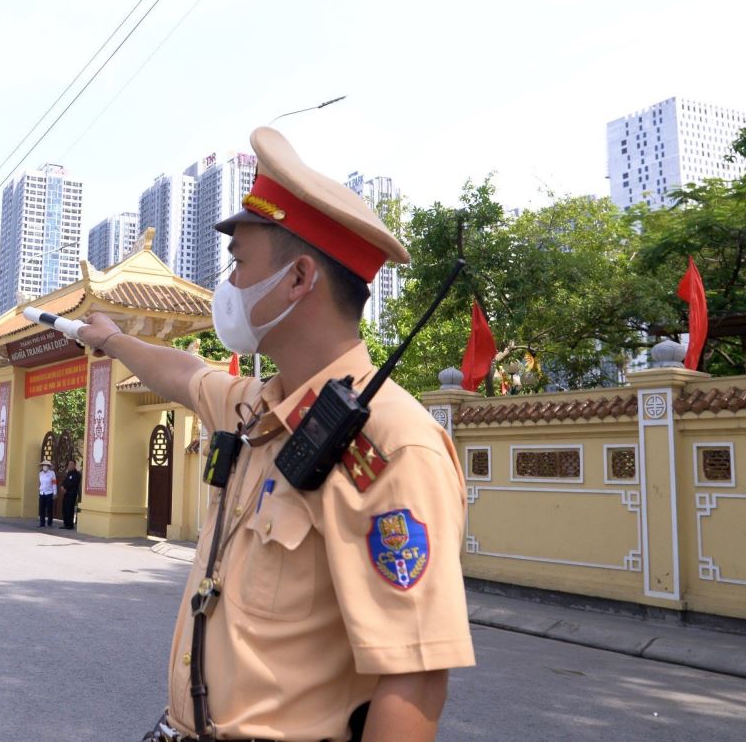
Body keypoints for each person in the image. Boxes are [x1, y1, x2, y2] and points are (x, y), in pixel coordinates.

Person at [75, 127, 471, 742]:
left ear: (298, 279)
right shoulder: (260, 407)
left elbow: (414, 680)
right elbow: (187, 375)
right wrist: (110, 338)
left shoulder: (390, 444)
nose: (227, 287)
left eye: (239, 265)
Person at [61, 460, 82, 530]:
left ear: (74, 465)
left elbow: (74, 483)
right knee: (65, 508)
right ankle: (65, 523)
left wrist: (66, 488)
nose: (69, 465)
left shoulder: (77, 474)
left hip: (72, 494)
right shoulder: (68, 473)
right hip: (66, 494)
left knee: (70, 509)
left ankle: (70, 525)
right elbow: (64, 481)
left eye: (71, 464)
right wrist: (62, 486)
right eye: (69, 464)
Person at [36, 460, 57, 527]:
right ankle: (42, 523)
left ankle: (50, 523)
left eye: (46, 465)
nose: (44, 466)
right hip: (42, 493)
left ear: (48, 466)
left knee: (49, 509)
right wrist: (39, 490)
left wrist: (55, 492)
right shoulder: (40, 473)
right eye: (43, 465)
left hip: (49, 493)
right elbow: (40, 483)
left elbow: (54, 483)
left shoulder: (52, 473)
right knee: (42, 509)